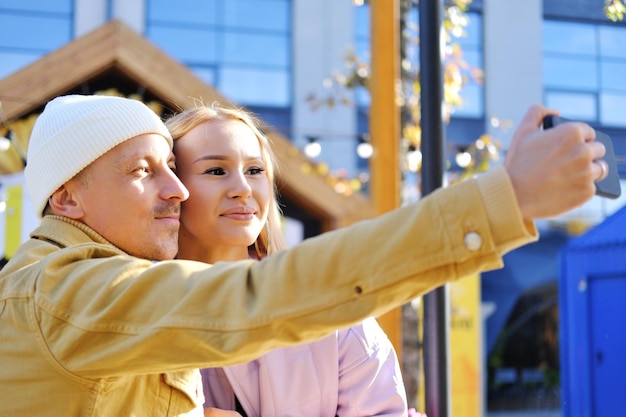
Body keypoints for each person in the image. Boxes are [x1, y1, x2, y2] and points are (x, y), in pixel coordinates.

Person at [0, 94, 606, 416]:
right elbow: (255, 306)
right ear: (68, 198)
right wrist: (504, 198)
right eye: (145, 172)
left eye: (257, 170)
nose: (176, 190)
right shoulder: (68, 294)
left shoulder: (95, 294)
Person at [166, 104, 410, 417]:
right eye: (216, 171)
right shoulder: (131, 314)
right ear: (170, 188)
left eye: (255, 171)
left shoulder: (330, 308)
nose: (243, 189)